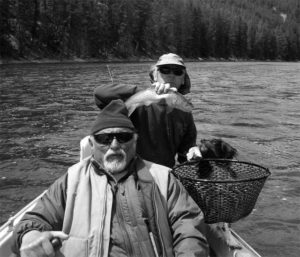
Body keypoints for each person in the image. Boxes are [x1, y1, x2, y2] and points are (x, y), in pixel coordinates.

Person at [13, 99, 209, 257]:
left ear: (135, 140)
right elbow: (35, 218)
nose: (114, 145)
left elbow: (188, 226)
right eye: (105, 139)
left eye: (123, 137)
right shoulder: (71, 179)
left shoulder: (164, 177)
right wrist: (30, 235)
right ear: (92, 143)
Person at [80, 53, 237, 167]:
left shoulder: (185, 114)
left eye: (177, 72)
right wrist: (141, 93)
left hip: (164, 175)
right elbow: (99, 95)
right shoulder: (140, 100)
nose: (171, 75)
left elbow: (184, 155)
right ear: (155, 75)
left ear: (184, 79)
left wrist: (193, 152)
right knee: (86, 142)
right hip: (129, 172)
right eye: (164, 70)